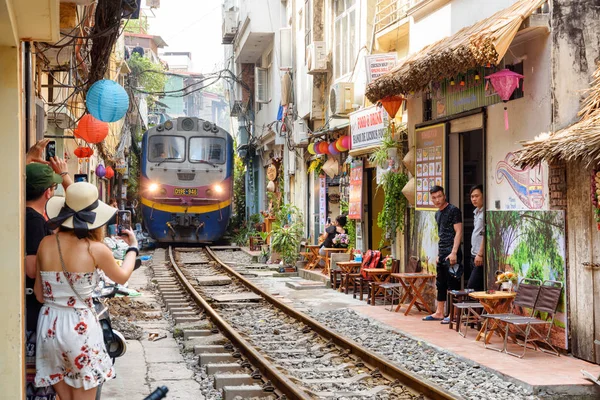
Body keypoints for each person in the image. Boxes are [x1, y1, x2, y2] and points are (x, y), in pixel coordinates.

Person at [34, 182, 138, 400]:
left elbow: (40, 295)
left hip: (49, 326)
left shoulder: (45, 243)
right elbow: (123, 276)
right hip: (78, 327)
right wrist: (133, 248)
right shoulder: (96, 249)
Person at [25, 144, 73, 400]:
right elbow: (32, 268)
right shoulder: (34, 222)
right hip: (33, 312)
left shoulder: (27, 215)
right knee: (38, 387)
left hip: (31, 309)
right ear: (47, 192)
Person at [422, 186, 463, 323]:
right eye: (434, 197)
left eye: (439, 196)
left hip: (452, 252)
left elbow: (458, 232)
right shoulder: (437, 214)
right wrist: (439, 254)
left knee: (453, 284)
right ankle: (439, 312)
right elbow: (442, 235)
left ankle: (454, 315)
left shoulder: (453, 210)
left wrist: (454, 252)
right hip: (442, 252)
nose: (437, 200)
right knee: (441, 283)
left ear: (444, 195)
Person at [467, 185, 485, 291]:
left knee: (472, 286)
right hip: (473, 255)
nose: (474, 199)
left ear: (483, 196)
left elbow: (485, 234)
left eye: (476, 196)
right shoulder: (476, 212)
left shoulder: (485, 213)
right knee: (477, 289)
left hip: (479, 256)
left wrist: (480, 254)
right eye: (472, 196)